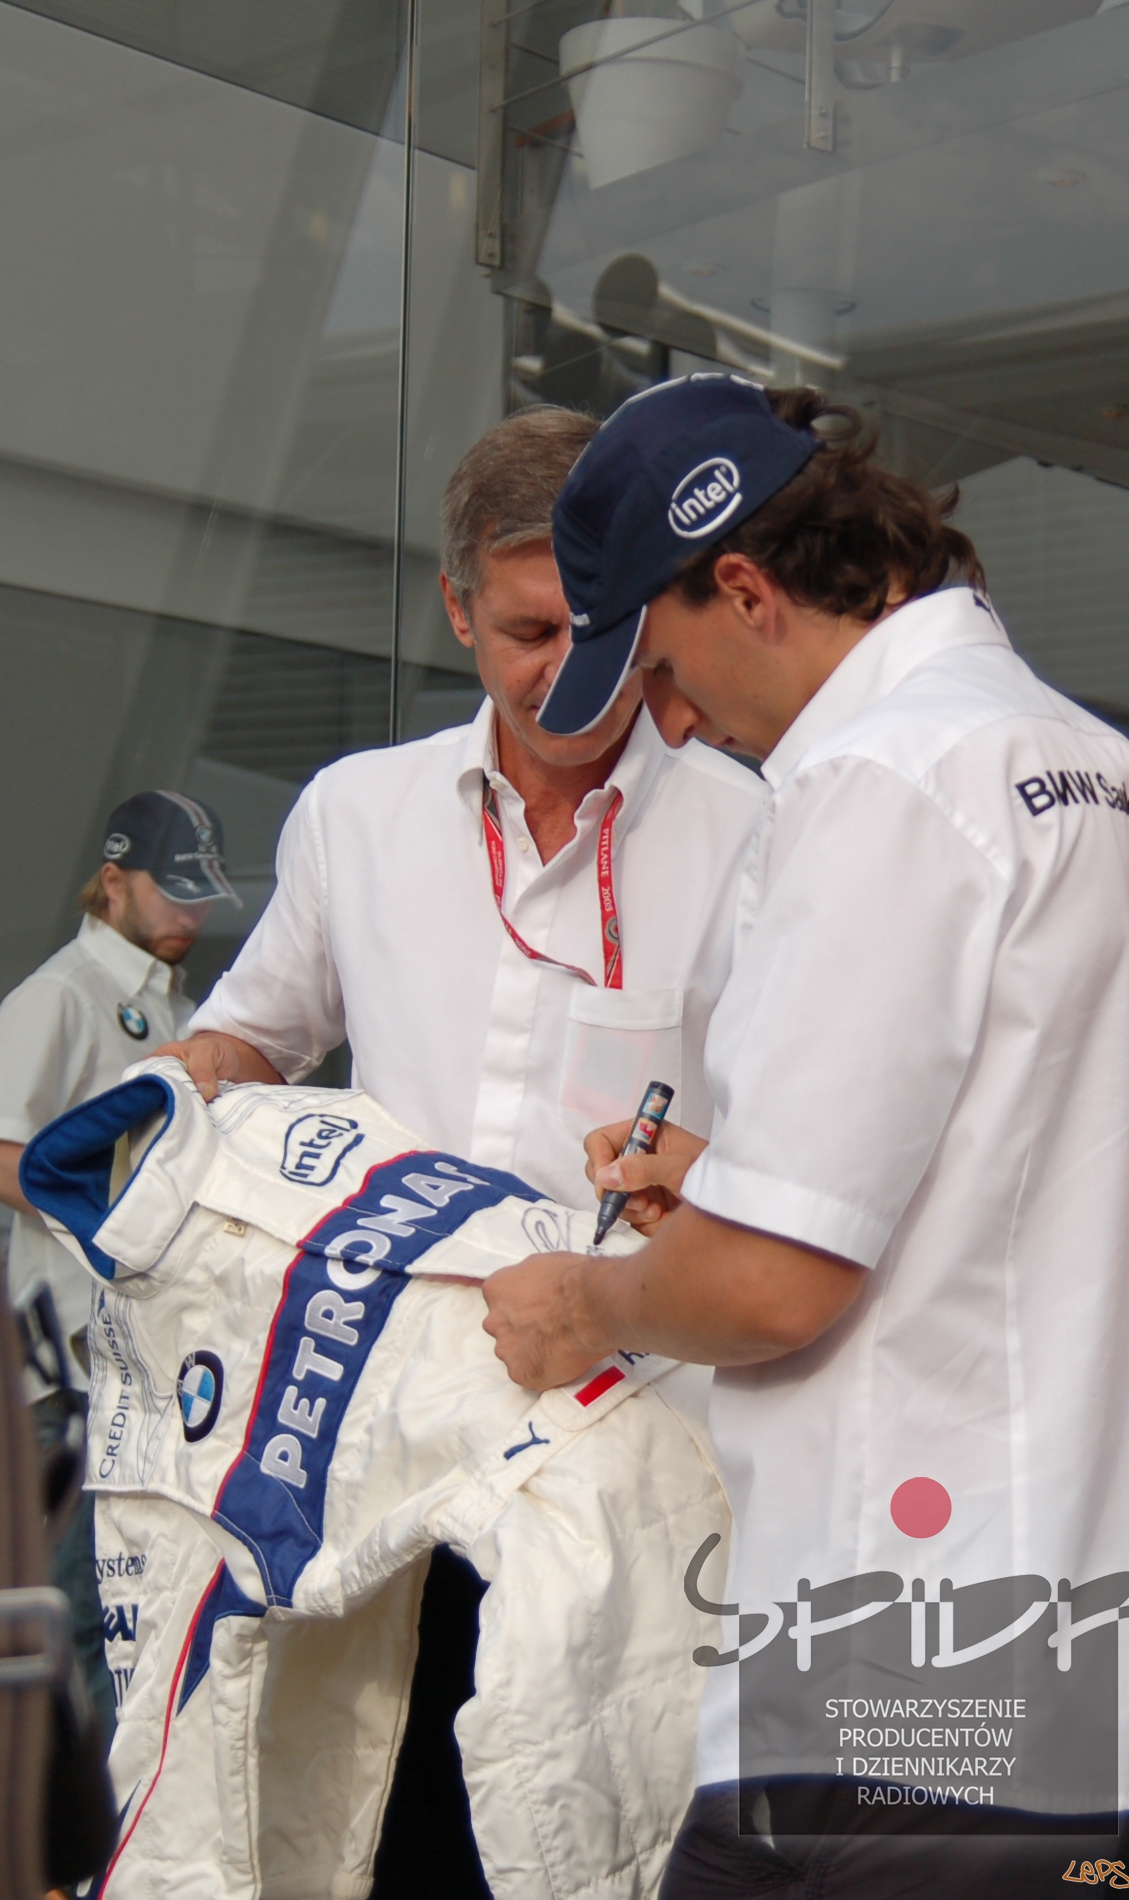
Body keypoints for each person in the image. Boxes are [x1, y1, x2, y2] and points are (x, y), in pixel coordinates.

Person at [481, 374, 1129, 1898]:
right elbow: (1019, 1174)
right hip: (1121, 1676)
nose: (678, 724)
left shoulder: (874, 779)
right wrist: (731, 1189)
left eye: (661, 671)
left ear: (748, 588)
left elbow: (769, 1291)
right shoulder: (1097, 767)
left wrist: (586, 1300)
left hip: (908, 1683)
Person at [156, 404, 766, 1899]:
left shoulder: (754, 828)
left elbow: (787, 1146)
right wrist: (162, 1102)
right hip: (373, 1435)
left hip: (617, 1455)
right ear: (454, 609)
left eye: (596, 627)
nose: (565, 670)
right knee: (372, 1816)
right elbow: (257, 1034)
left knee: (585, 1837)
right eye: (525, 631)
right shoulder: (357, 814)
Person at [0, 788, 237, 1740]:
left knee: (130, 1609)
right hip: (63, 1368)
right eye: (173, 891)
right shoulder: (61, 995)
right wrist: (107, 1219)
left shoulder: (177, 1002)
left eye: (202, 895)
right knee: (75, 1613)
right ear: (112, 881)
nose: (191, 914)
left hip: (141, 1366)